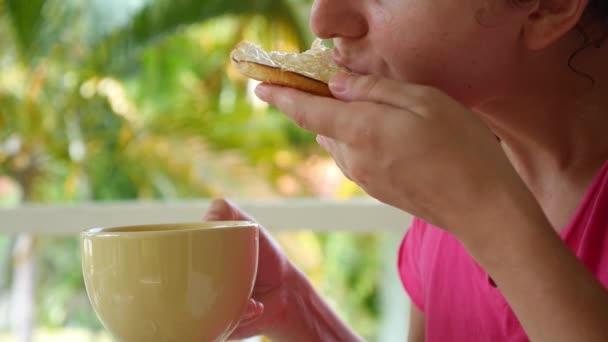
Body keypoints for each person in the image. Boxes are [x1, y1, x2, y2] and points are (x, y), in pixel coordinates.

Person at [204, 0, 608, 340]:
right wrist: (295, 308)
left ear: (549, 7)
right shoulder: (451, 170)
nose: (323, 20)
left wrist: (484, 213)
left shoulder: (465, 188)